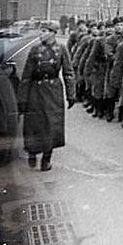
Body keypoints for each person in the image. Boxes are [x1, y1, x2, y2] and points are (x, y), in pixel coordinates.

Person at [18, 26, 76, 172]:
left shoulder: (61, 49)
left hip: (53, 90)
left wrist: (71, 94)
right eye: (41, 31)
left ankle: (46, 158)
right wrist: (22, 99)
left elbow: (68, 73)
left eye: (44, 31)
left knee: (52, 123)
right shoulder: (35, 50)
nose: (41, 34)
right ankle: (32, 152)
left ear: (53, 33)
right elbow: (26, 76)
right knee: (33, 123)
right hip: (35, 90)